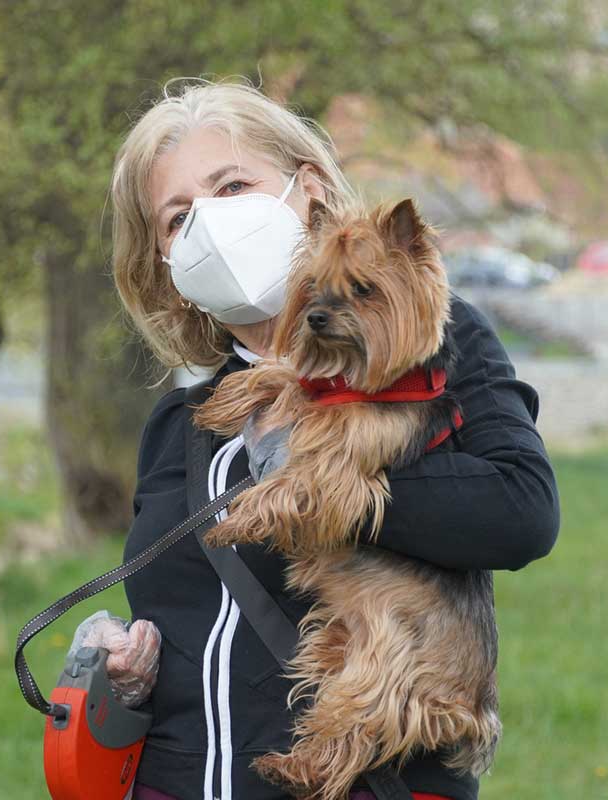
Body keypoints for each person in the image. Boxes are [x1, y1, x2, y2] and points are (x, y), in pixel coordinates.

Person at [79, 77, 560, 800]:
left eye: (233, 185)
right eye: (178, 218)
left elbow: (522, 513)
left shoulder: (436, 359)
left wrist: (324, 476)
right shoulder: (180, 423)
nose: (210, 224)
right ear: (166, 266)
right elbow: (182, 617)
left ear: (306, 191)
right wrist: (127, 661)